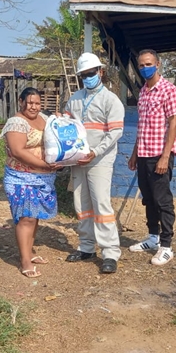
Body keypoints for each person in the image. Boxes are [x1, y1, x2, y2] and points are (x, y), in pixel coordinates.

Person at [63, 53, 125, 274]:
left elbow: (115, 132)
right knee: (82, 206)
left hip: (100, 160)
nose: (88, 77)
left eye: (91, 73)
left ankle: (110, 252)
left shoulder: (111, 100)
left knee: (101, 205)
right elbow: (67, 125)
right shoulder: (75, 99)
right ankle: (87, 247)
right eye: (84, 75)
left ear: (100, 72)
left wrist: (96, 151)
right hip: (78, 160)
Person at [127, 49, 176, 266]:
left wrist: (165, 157)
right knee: (148, 198)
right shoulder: (144, 92)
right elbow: (143, 126)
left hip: (160, 154)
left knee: (162, 201)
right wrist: (134, 154)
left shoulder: (169, 90)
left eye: (148, 63)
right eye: (141, 65)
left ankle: (166, 246)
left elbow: (174, 123)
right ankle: (152, 238)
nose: (145, 67)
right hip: (143, 153)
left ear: (157, 64)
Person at [1, 87, 58, 278]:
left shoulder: (44, 118)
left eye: (37, 103)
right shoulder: (16, 122)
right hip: (20, 178)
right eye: (30, 102)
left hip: (44, 178)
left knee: (35, 216)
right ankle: (24, 260)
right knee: (26, 217)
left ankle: (30, 252)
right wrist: (45, 164)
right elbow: (18, 151)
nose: (34, 107)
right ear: (21, 101)